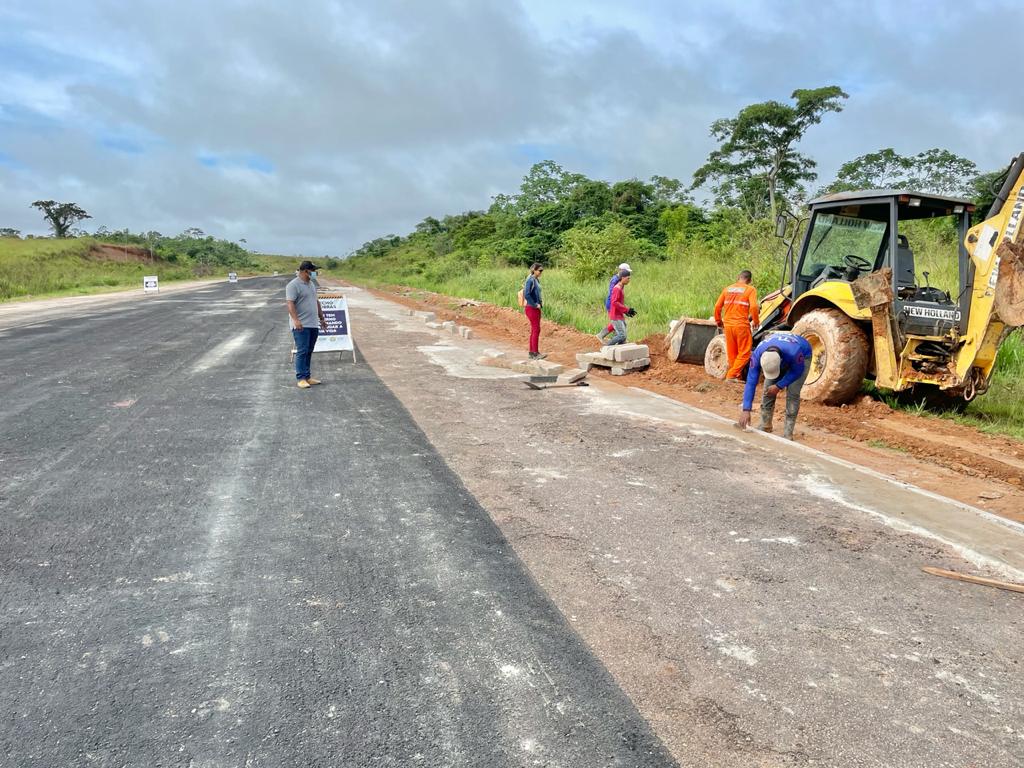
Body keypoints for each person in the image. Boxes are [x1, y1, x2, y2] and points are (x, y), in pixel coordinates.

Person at [737, 332, 812, 440]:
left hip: (803, 355)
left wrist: (779, 385)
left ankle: (788, 432)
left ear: (781, 361)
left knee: (793, 393)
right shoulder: (757, 355)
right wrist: (746, 409)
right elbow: (751, 381)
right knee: (768, 390)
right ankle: (765, 425)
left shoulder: (794, 352)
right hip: (781, 353)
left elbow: (797, 372)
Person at [286, 260, 328, 389]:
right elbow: (290, 304)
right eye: (313, 271)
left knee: (309, 351)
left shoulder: (311, 285)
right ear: (305, 271)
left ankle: (308, 376)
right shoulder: (293, 285)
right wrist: (296, 320)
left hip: (313, 324)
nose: (315, 273)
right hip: (301, 325)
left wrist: (322, 318)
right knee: (302, 350)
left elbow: (316, 302)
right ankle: (301, 378)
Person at [714, 270, 759, 382]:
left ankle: (736, 376)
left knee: (733, 352)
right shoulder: (750, 289)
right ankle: (731, 375)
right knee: (745, 353)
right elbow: (753, 307)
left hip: (728, 325)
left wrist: (719, 321)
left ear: (738, 277)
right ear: (749, 280)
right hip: (741, 326)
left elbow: (717, 306)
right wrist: (756, 321)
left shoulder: (727, 289)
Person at [596, 263, 632, 344]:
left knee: (618, 322)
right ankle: (603, 335)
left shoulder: (621, 280)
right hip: (611, 303)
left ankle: (619, 338)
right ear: (622, 271)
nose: (628, 278)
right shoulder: (615, 280)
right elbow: (613, 296)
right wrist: (624, 308)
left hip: (615, 302)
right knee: (616, 321)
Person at [604, 269, 634, 346]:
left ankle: (619, 351)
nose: (629, 280)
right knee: (621, 335)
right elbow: (614, 302)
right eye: (628, 278)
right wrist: (626, 309)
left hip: (619, 315)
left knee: (623, 337)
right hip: (615, 316)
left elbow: (619, 303)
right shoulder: (617, 288)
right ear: (623, 278)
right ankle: (606, 347)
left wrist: (626, 312)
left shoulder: (620, 287)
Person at [523, 263, 546, 360]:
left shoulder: (536, 280)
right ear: (534, 270)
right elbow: (527, 294)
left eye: (542, 271)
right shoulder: (530, 280)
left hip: (535, 308)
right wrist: (535, 304)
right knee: (536, 329)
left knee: (534, 330)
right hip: (532, 308)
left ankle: (532, 352)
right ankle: (535, 353)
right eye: (540, 270)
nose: (541, 272)